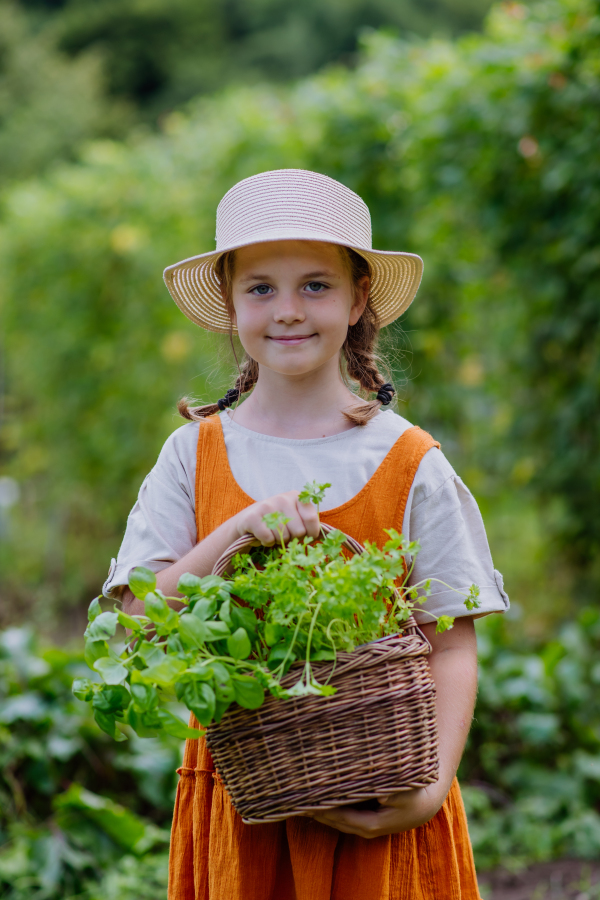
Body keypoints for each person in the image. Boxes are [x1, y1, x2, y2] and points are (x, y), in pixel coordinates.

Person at [104, 169, 509, 900]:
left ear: (359, 301)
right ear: (230, 305)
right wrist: (231, 533)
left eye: (316, 286)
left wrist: (428, 789)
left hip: (386, 802)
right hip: (242, 811)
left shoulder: (409, 461)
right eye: (261, 288)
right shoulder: (192, 457)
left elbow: (451, 643)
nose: (288, 310)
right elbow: (137, 621)